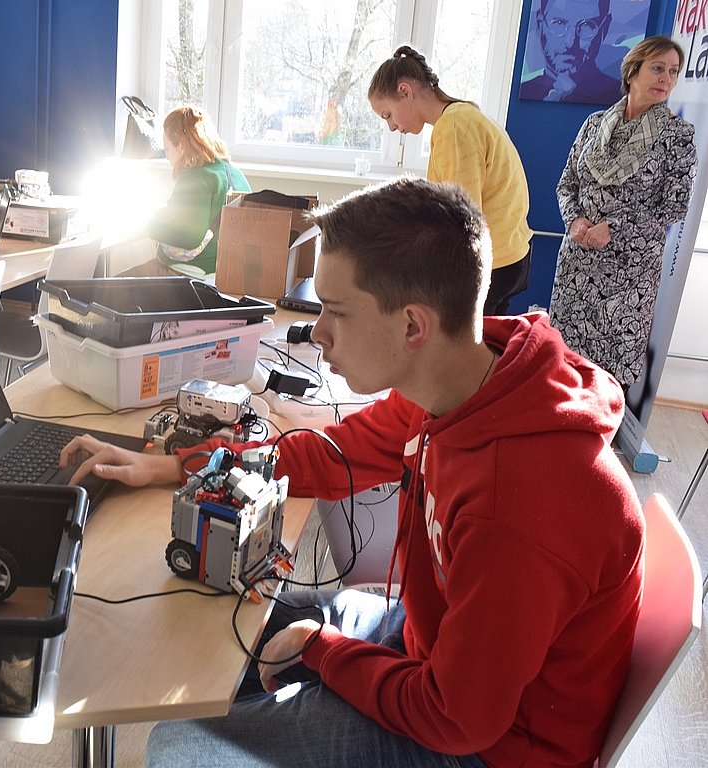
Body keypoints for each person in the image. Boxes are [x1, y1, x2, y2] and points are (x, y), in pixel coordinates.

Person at [59, 177, 644, 767]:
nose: (317, 332)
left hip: (490, 746)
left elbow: (456, 717)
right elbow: (327, 456)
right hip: (429, 641)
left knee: (179, 747)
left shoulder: (519, 502)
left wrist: (322, 650)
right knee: (221, 629)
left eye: (335, 311)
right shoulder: (459, 382)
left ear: (412, 326)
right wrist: (175, 464)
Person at [550, 35, 696, 388]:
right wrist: (574, 220)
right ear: (632, 72)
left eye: (673, 71)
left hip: (629, 274)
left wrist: (614, 227)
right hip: (578, 263)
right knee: (562, 366)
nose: (666, 78)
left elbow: (675, 205)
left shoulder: (678, 135)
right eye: (657, 68)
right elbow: (566, 183)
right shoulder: (594, 124)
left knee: (607, 379)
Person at [369, 45, 533, 316]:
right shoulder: (461, 116)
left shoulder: (453, 127)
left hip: (491, 264)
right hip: (509, 255)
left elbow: (463, 218)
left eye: (387, 115)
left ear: (405, 91)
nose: (392, 126)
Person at [137, 106, 250, 278]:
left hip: (190, 274)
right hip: (225, 274)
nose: (167, 156)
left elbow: (189, 238)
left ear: (181, 146)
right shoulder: (235, 174)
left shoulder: (195, 178)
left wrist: (150, 224)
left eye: (167, 149)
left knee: (105, 288)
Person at [520, 0, 623, 105]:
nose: (570, 42)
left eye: (586, 25)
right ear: (540, 25)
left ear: (604, 29)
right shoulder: (523, 91)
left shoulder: (621, 98)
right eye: (559, 23)